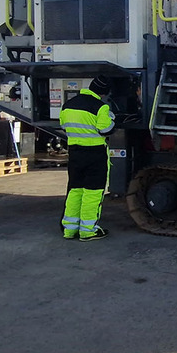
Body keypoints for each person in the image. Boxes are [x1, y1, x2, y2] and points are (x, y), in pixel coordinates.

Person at [59, 77, 116, 240]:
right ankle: (87, 230)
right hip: (95, 154)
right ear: (104, 93)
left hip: (75, 153)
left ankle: (69, 230)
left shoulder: (68, 105)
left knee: (75, 190)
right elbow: (106, 130)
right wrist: (112, 119)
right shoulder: (101, 107)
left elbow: (63, 125)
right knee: (93, 193)